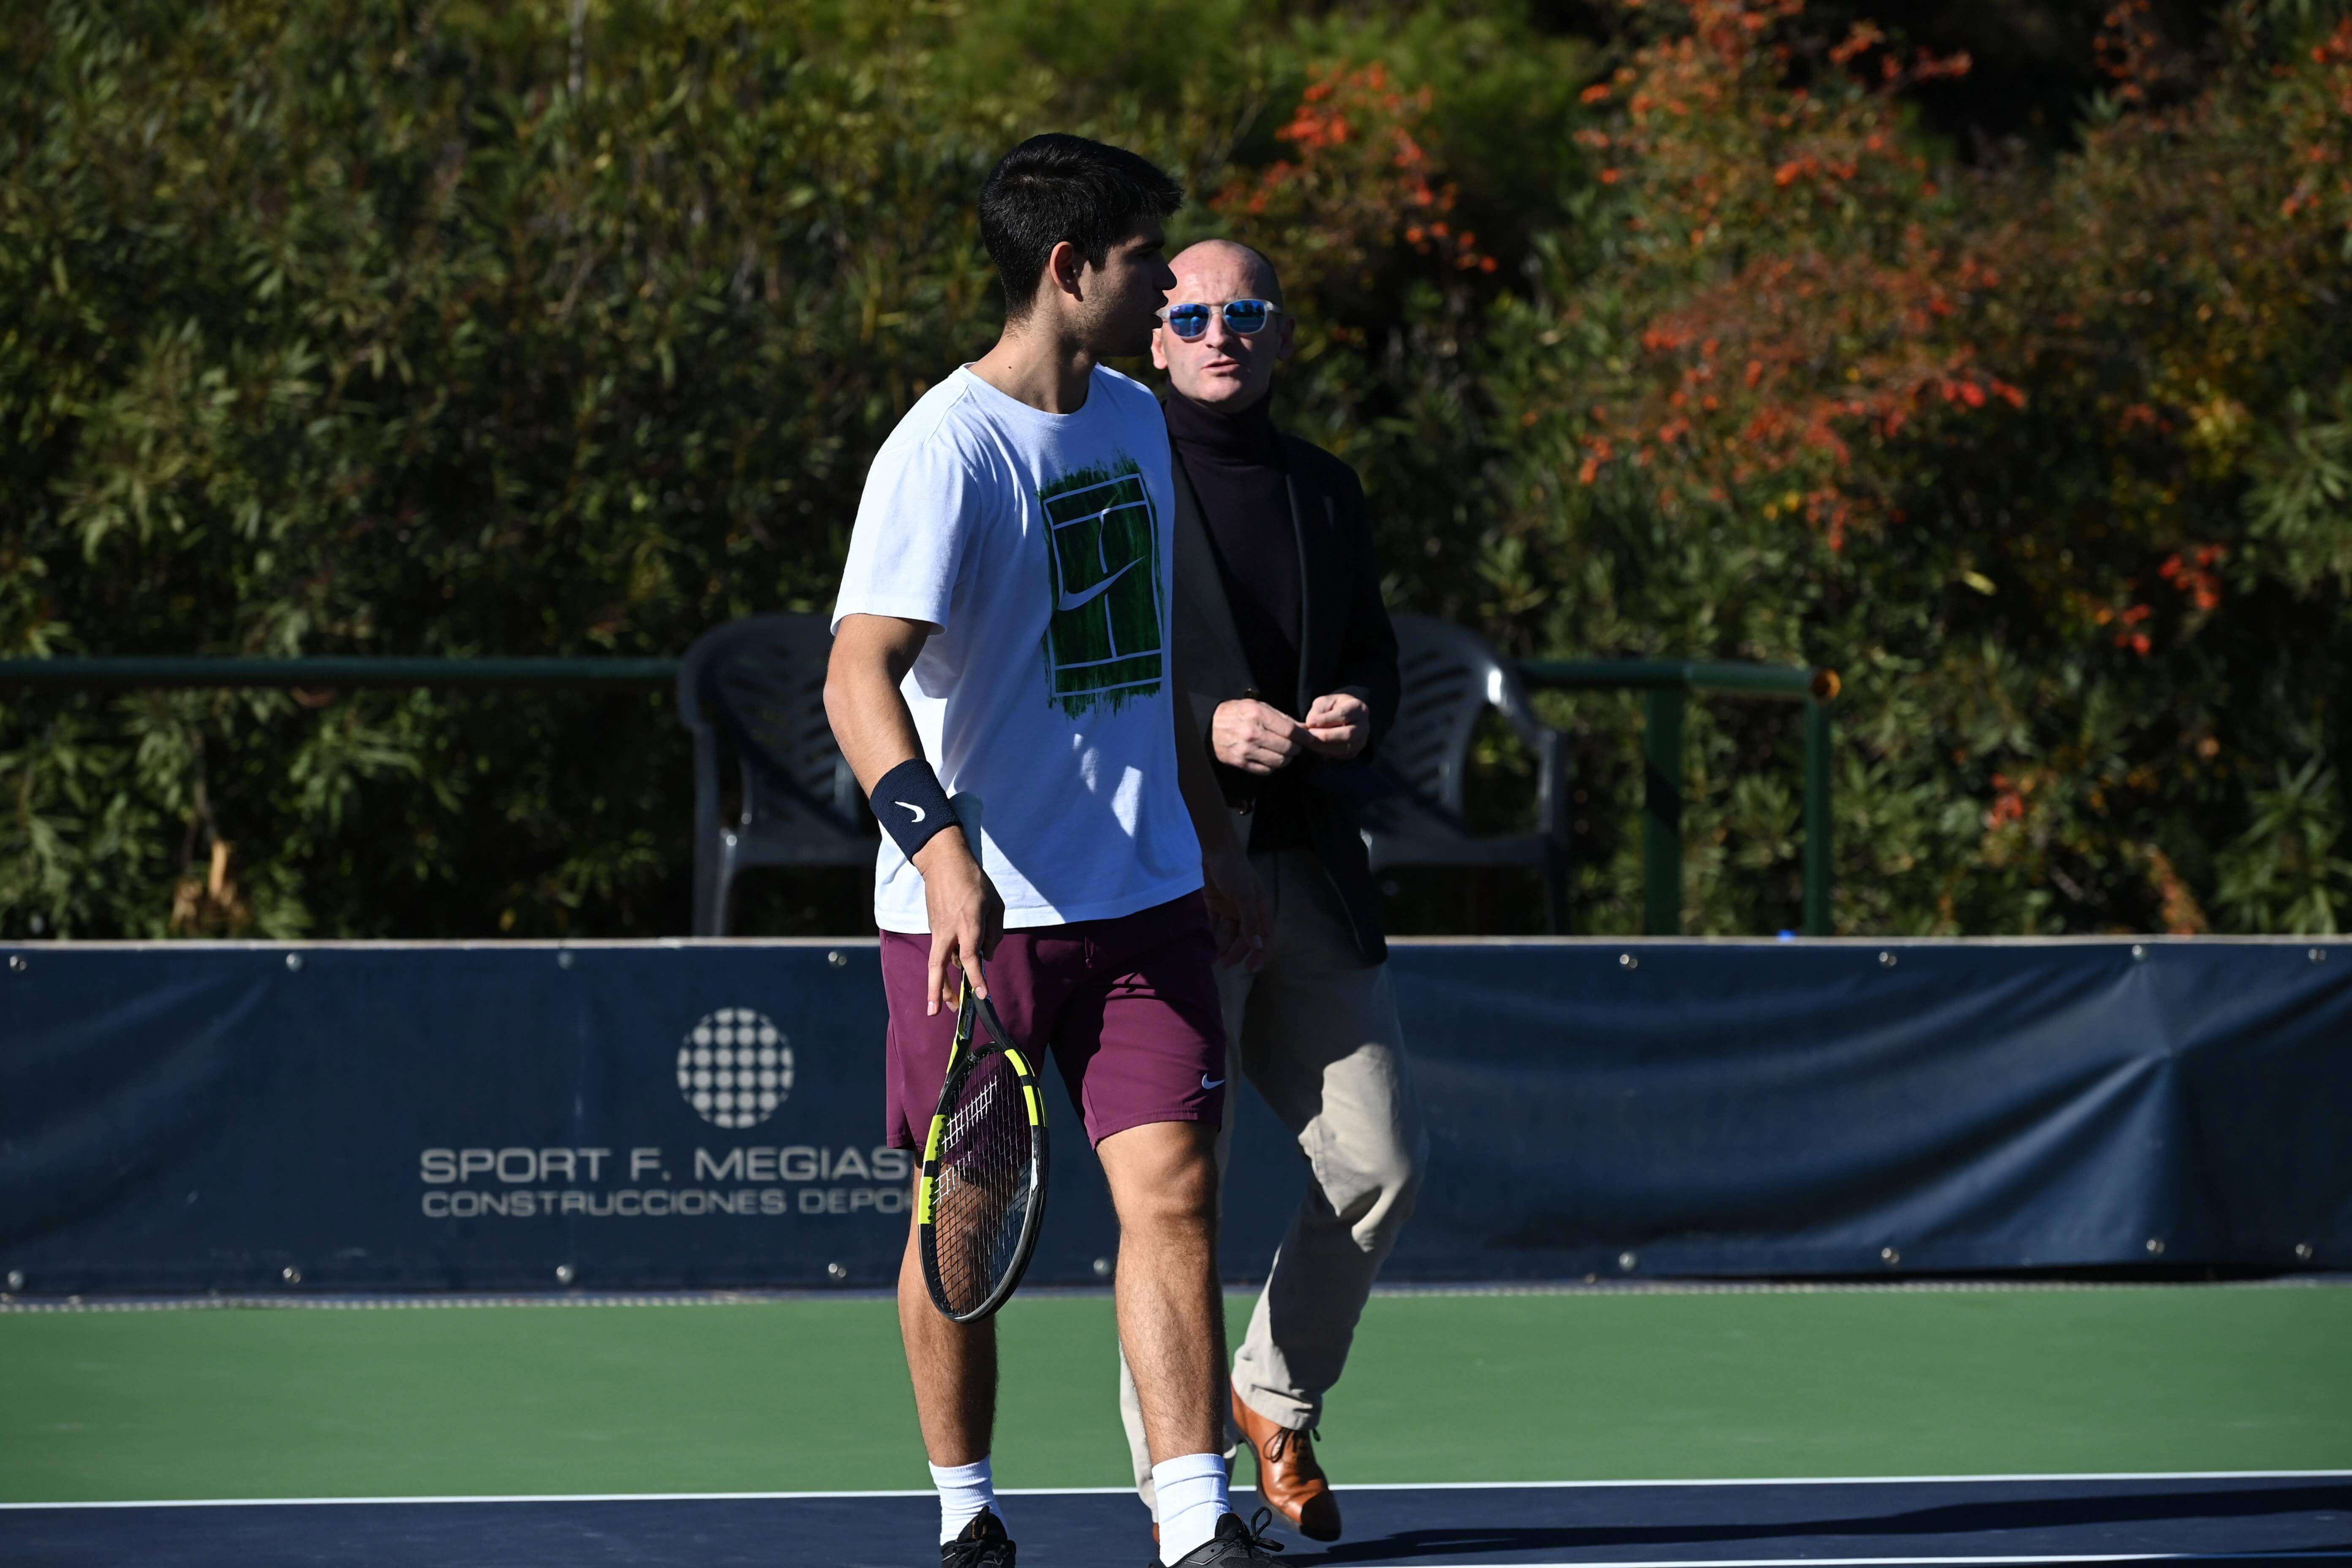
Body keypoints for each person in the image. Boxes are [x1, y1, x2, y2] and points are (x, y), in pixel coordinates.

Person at [824, 136, 1285, 1568]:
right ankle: (967, 1510)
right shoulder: (942, 450)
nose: (1163, 281)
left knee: (1177, 1195)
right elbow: (855, 678)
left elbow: (1143, 664)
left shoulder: (1137, 421)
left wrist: (1207, 843)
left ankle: (1194, 1517)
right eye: (1146, 259)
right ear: (1067, 270)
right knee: (963, 1225)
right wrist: (941, 849)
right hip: (975, 925)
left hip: (1143, 900)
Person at [1116, 240, 1425, 1544]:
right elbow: (1078, 674)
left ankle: (1272, 1397)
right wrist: (1205, 726)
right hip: (1170, 874)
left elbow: (1372, 651)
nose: (1218, 333)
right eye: (1191, 314)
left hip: (1308, 864)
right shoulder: (1114, 475)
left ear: (1281, 336)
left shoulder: (1326, 487)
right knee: (1179, 1200)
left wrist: (1357, 707)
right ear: (1156, 336)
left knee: (1380, 1162)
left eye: (1244, 313)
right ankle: (1184, 1507)